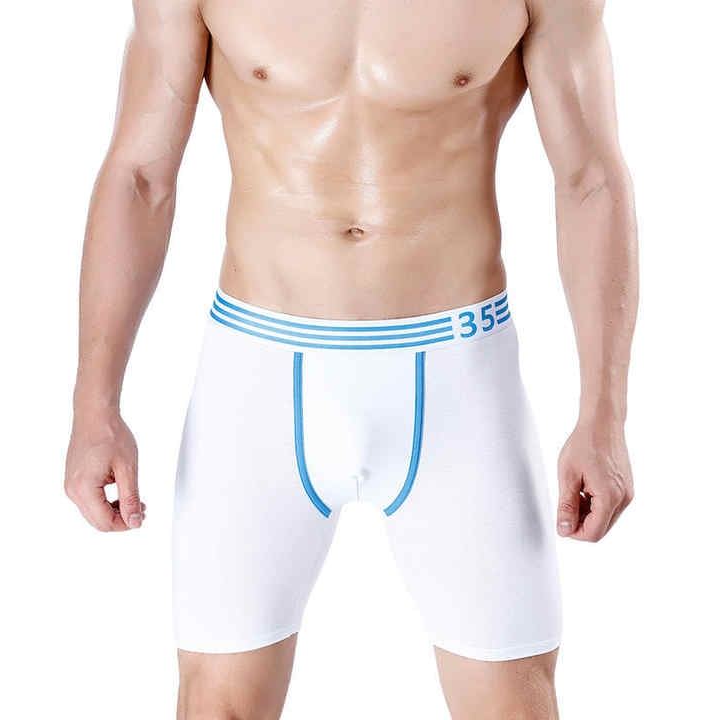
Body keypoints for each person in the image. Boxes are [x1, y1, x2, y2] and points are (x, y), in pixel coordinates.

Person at [64, 0, 638, 717]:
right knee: (216, 706)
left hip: (459, 379)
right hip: (258, 378)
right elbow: (140, 175)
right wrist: (95, 406)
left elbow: (590, 178)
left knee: (513, 705)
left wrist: (604, 416)